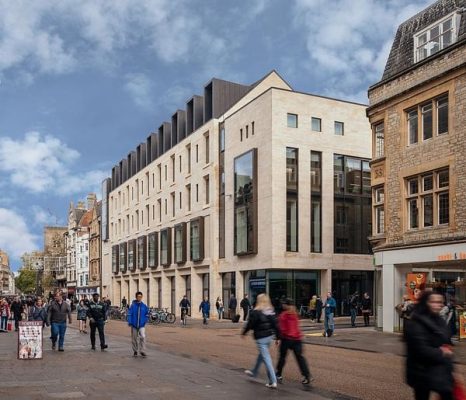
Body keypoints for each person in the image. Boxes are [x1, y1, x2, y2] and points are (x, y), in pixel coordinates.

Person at [404, 291, 454, 400]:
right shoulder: (415, 322)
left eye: (440, 302)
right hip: (421, 372)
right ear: (425, 303)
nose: (438, 305)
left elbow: (446, 340)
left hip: (439, 371)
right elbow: (420, 349)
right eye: (434, 302)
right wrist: (442, 352)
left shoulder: (439, 319)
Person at [241, 293, 279, 389]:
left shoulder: (256, 312)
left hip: (260, 338)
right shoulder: (270, 311)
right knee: (262, 356)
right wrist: (278, 337)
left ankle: (273, 381)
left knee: (267, 359)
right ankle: (254, 372)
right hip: (269, 337)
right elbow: (276, 325)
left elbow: (250, 324)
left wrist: (244, 333)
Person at [275, 299, 313, 386]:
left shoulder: (283, 315)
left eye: (284, 304)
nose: (282, 305)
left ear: (286, 305)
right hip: (297, 339)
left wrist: (278, 338)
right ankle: (307, 375)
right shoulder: (295, 314)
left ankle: (278, 374)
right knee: (300, 358)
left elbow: (281, 329)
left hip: (287, 339)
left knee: (282, 357)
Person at [127, 291, 150, 357]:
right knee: (134, 338)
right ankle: (135, 351)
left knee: (143, 336)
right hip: (134, 324)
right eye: (138, 297)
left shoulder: (144, 306)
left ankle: (142, 350)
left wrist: (145, 320)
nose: (139, 298)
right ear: (136, 297)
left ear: (142, 297)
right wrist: (130, 322)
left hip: (141, 325)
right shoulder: (133, 306)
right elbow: (129, 314)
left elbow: (147, 314)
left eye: (140, 296)